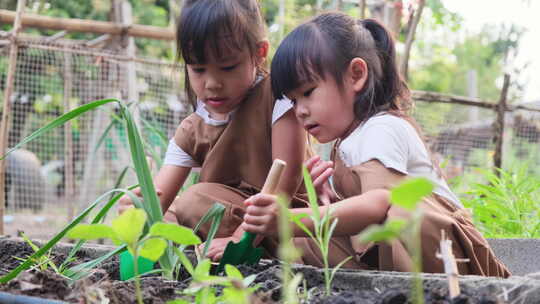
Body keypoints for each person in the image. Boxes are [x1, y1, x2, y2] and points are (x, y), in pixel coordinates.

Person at [241, 12, 510, 277]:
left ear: (356, 75)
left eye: (308, 93)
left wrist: (289, 220)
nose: (300, 111)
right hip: (397, 255)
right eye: (293, 101)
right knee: (306, 239)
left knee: (404, 210)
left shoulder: (381, 128)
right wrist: (327, 201)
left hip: (452, 257)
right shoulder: (347, 142)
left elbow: (380, 202)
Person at [119, 0, 308, 262]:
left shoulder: (278, 97)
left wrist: (238, 239)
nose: (212, 83)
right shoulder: (192, 130)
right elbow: (159, 198)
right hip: (222, 226)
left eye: (228, 67)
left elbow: (284, 187)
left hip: (287, 228)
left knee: (193, 200)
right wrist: (137, 212)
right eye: (198, 69)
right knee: (170, 213)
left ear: (259, 53)